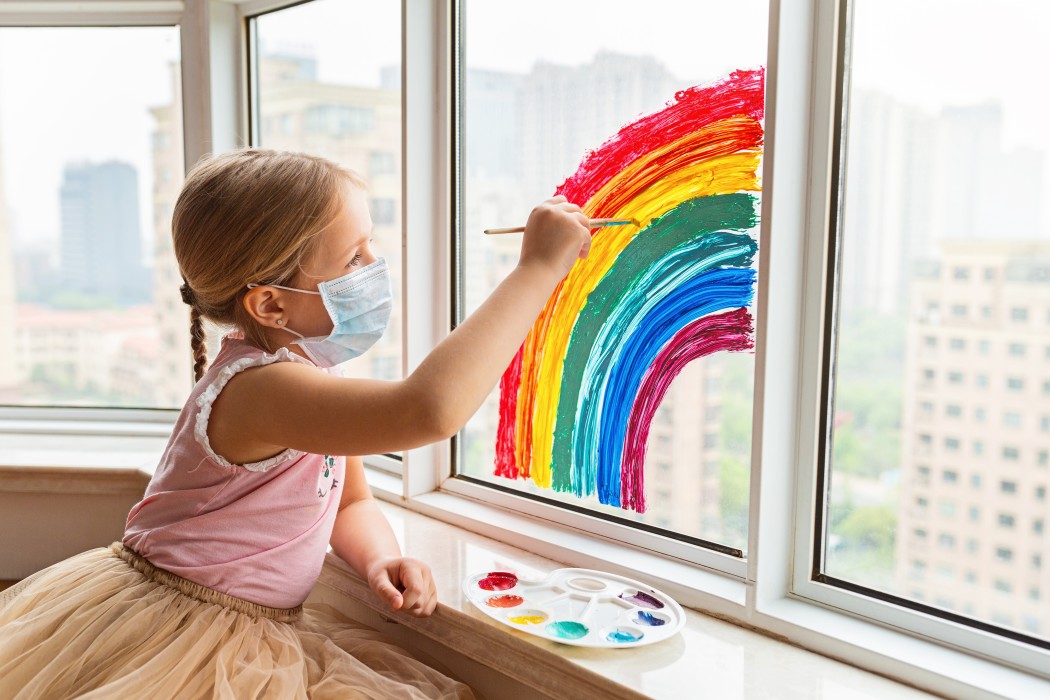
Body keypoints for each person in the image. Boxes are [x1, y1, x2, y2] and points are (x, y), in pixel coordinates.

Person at [0, 149, 591, 698]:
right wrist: (537, 270)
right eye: (353, 258)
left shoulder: (305, 376)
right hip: (189, 636)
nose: (374, 268)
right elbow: (429, 410)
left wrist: (379, 558)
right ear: (271, 305)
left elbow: (349, 501)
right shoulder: (265, 388)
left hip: (244, 627)